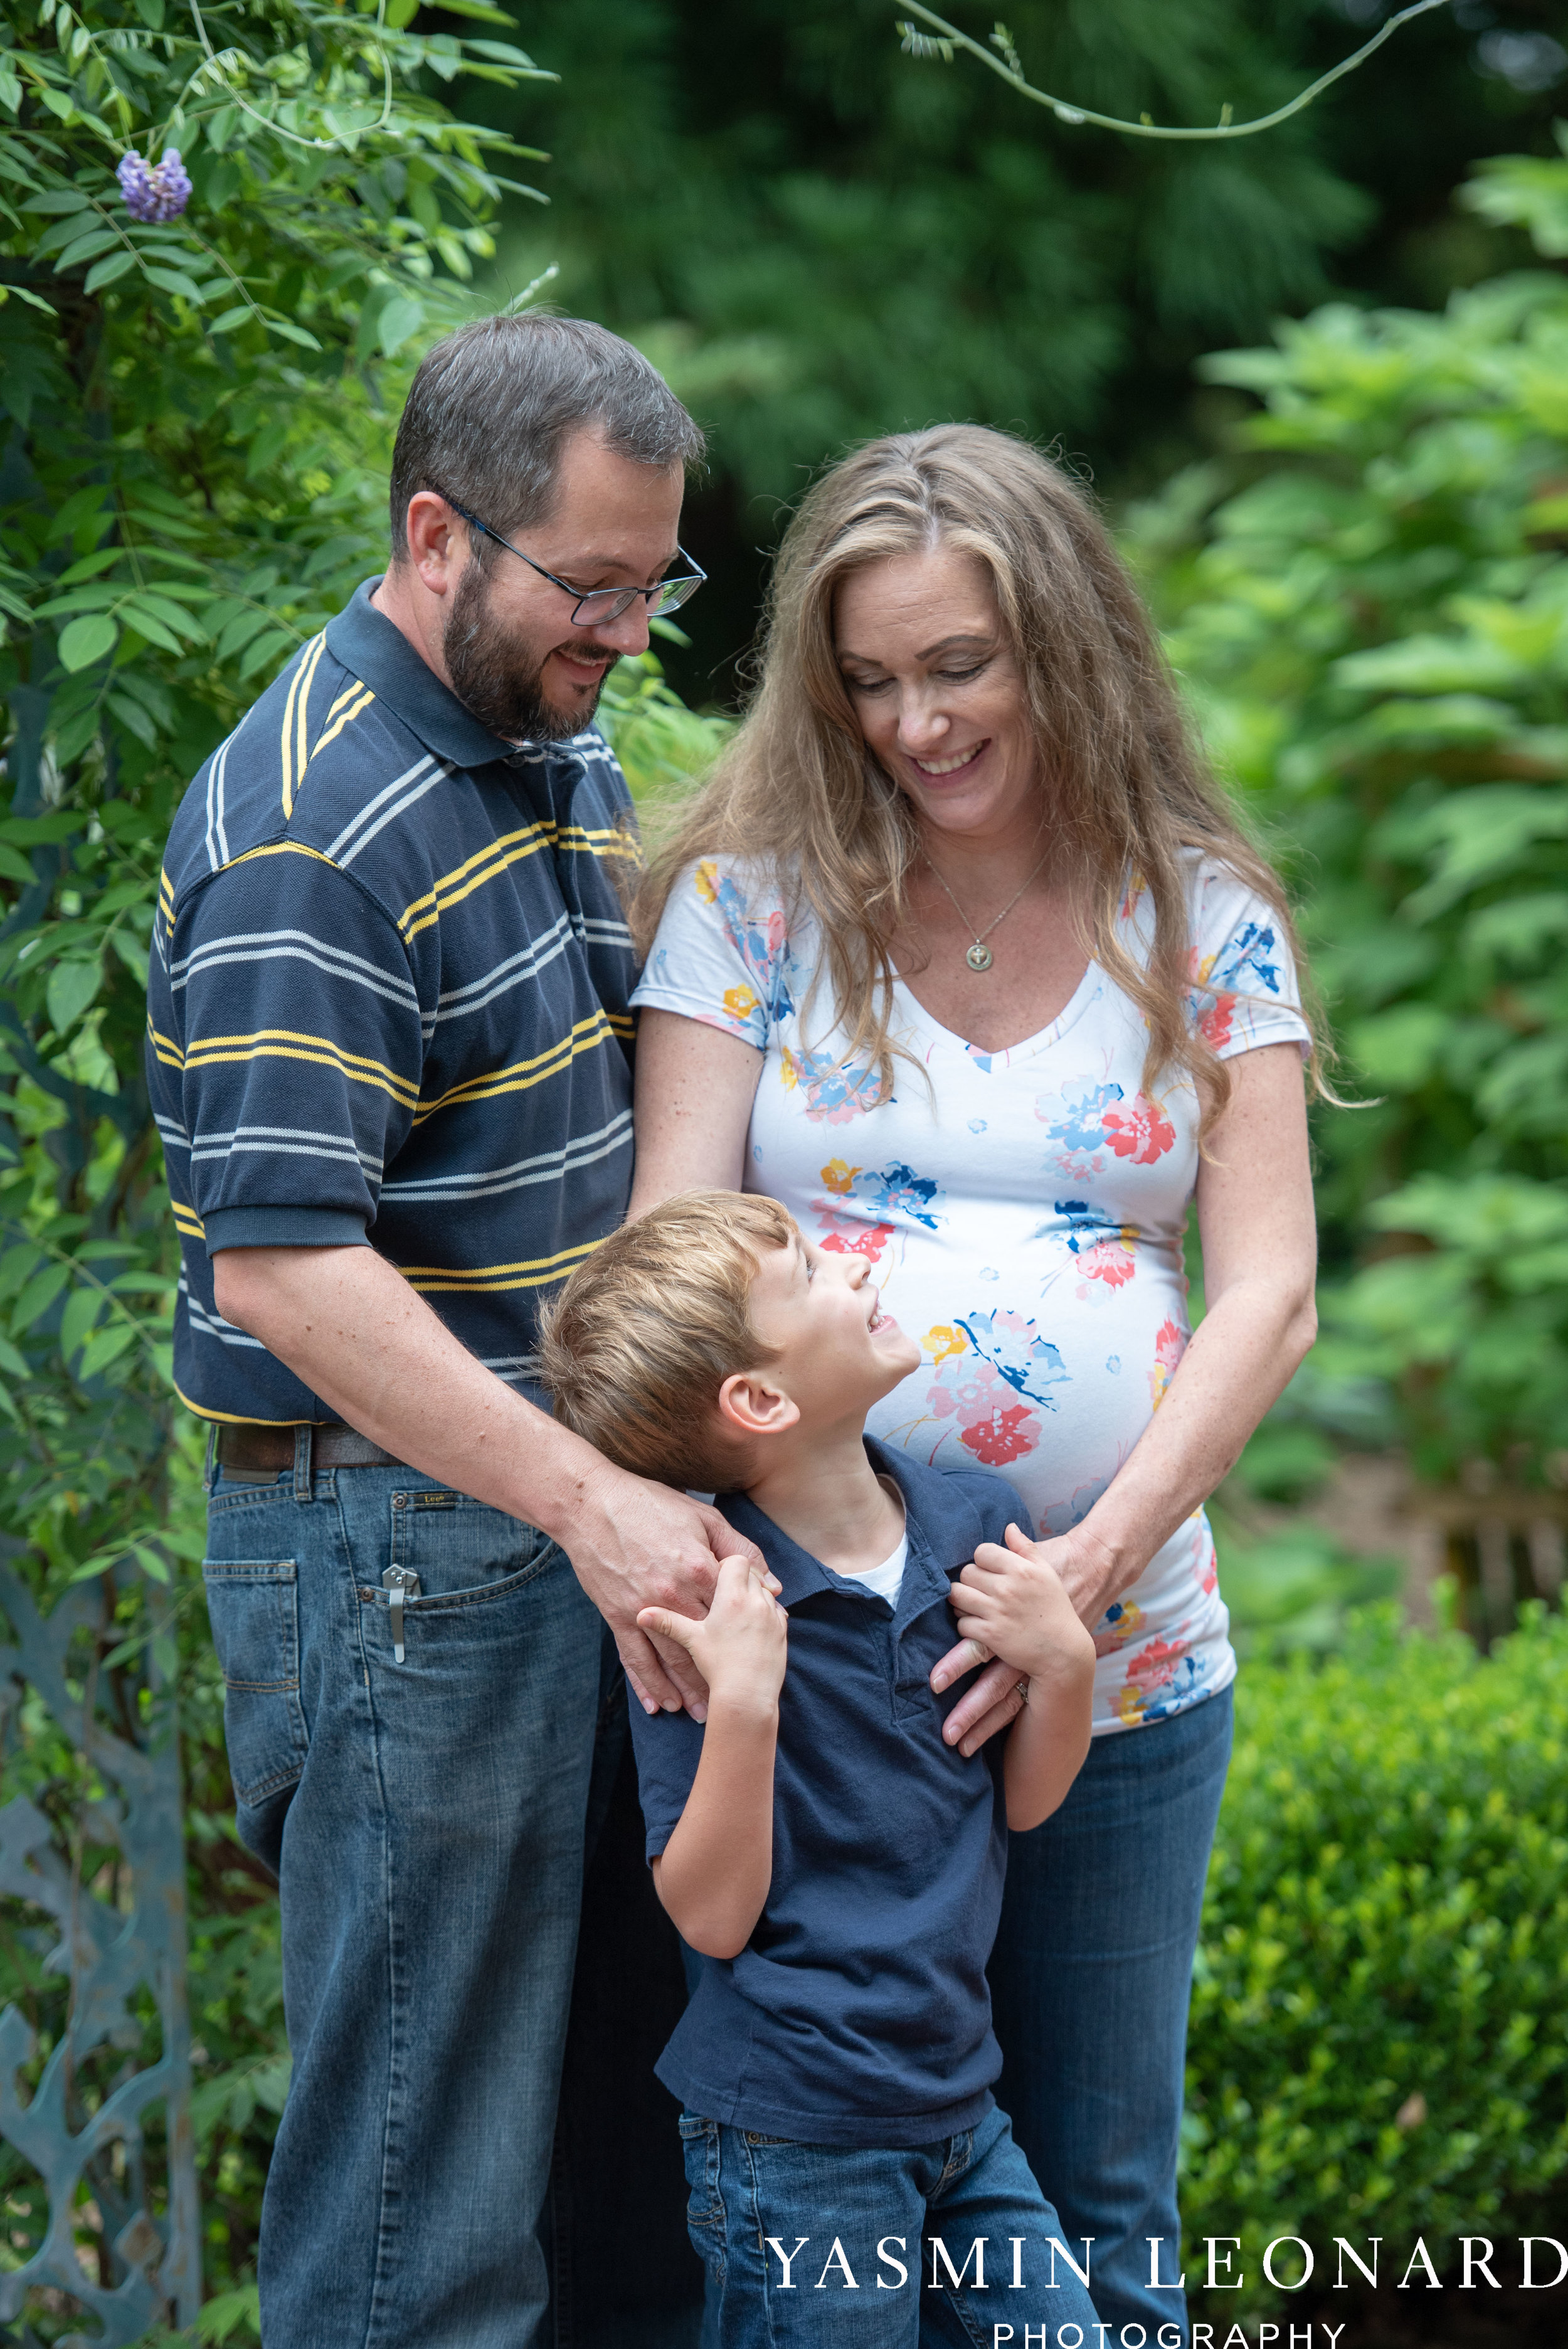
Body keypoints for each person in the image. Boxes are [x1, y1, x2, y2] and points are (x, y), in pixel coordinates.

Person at [625, 425, 1321, 2348]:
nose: (914, 722)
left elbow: (1267, 1294)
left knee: (1092, 2229)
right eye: (867, 678)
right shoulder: (754, 906)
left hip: (1117, 1661)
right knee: (836, 2225)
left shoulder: (1198, 915)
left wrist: (1085, 1577)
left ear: (1066, 647)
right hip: (830, 1692)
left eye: (959, 666)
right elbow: (668, 1253)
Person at [146, 314, 768, 2349]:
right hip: (399, 1561)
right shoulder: (311, 829)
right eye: (591, 585)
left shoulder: (531, 720)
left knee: (612, 2194)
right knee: (423, 2234)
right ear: (438, 535)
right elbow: (284, 1271)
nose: (627, 635)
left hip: (549, 1525)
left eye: (651, 581)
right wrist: (592, 1498)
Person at [537, 1188, 1101, 2349]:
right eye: (807, 1272)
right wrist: (745, 1698)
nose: (852, 1267)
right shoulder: (706, 1608)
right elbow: (711, 1917)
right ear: (760, 1398)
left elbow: (1024, 1802)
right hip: (795, 2138)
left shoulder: (975, 1530)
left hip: (960, 2108)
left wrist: (1069, 1663)